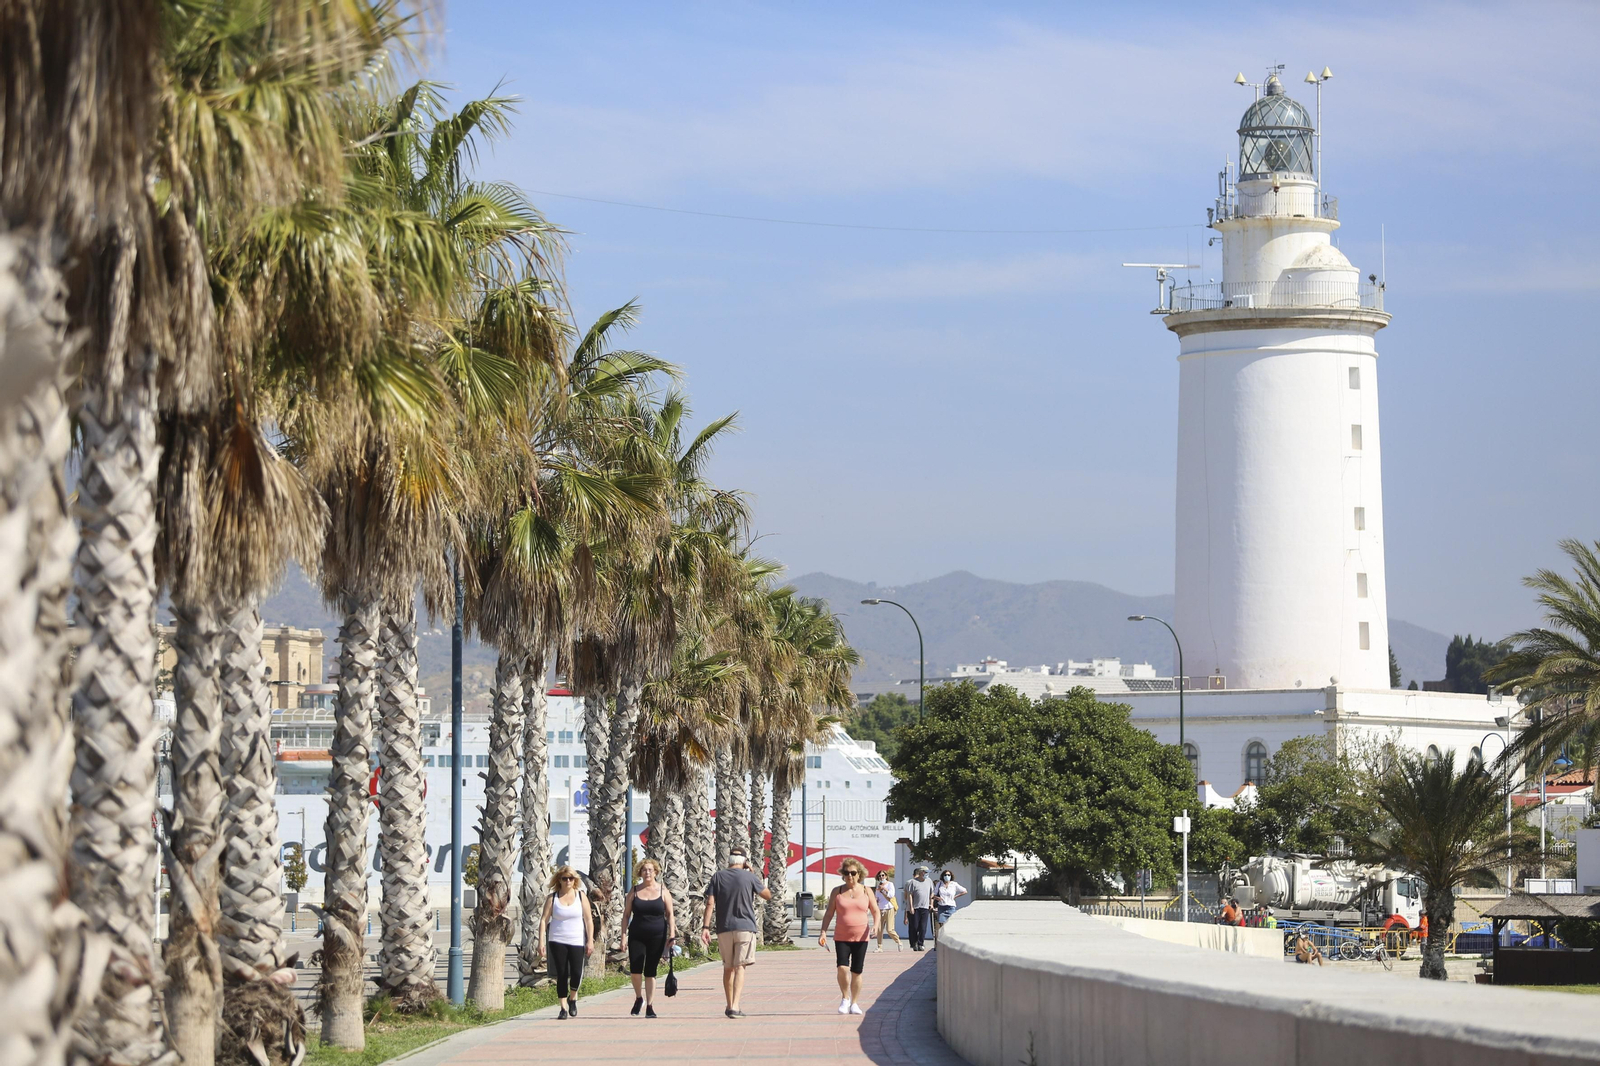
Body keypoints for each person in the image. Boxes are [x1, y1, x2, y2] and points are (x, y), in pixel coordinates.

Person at [700, 847, 772, 1019]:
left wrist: (705, 928)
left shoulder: (718, 876)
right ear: (745, 862)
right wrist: (754, 875)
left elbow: (710, 903)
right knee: (740, 967)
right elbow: (767, 895)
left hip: (724, 928)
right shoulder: (749, 877)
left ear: (729, 860)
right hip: (745, 928)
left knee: (728, 967)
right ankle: (735, 1006)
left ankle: (728, 1004)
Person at [818, 859, 881, 1015]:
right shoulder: (837, 891)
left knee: (857, 971)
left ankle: (854, 1003)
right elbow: (829, 913)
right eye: (846, 873)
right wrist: (823, 932)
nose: (850, 876)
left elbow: (875, 911)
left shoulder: (867, 890)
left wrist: (875, 925)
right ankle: (845, 998)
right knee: (842, 967)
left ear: (859, 874)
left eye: (853, 873)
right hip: (841, 936)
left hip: (861, 937)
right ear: (843, 875)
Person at [620, 858, 676, 1018]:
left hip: (657, 935)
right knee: (635, 970)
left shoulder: (663, 891)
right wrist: (623, 936)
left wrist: (672, 934)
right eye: (644, 870)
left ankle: (650, 1006)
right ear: (640, 872)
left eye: (650, 870)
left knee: (650, 971)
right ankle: (639, 998)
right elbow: (626, 915)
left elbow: (670, 914)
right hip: (637, 935)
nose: (647, 872)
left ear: (656, 872)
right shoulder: (634, 891)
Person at [540, 865, 594, 1019]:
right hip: (557, 940)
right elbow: (544, 920)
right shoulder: (553, 898)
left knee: (576, 972)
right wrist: (541, 942)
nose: (568, 881)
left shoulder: (581, 896)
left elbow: (588, 920)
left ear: (575, 880)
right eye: (565, 878)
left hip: (577, 940)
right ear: (559, 880)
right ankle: (563, 1008)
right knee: (562, 973)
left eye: (571, 878)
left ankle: (573, 998)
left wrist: (590, 940)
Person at [932, 869, 968, 942]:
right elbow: (933, 894)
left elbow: (964, 891)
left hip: (951, 907)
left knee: (951, 925)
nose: (947, 876)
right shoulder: (939, 884)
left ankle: (951, 941)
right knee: (942, 926)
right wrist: (937, 898)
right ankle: (942, 941)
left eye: (949, 875)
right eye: (945, 875)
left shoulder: (954, 884)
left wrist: (956, 896)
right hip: (942, 906)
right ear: (943, 876)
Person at [903, 867, 934, 951]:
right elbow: (909, 895)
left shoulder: (929, 881)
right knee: (914, 926)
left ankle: (921, 943)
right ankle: (914, 943)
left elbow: (932, 893)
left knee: (923, 927)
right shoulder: (913, 882)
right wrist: (911, 907)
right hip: (915, 907)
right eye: (925, 872)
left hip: (925, 907)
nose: (927, 874)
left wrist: (931, 904)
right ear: (921, 872)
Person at [872, 872, 901, 951]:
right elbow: (877, 897)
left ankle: (898, 941)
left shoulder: (890, 884)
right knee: (879, 929)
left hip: (889, 908)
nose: (881, 877)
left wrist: (884, 889)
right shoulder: (878, 886)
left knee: (889, 929)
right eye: (879, 876)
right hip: (880, 909)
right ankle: (879, 947)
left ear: (886, 876)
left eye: (883, 875)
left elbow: (891, 895)